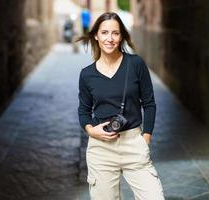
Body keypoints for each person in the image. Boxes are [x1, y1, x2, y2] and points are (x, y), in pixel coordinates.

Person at [77, 12, 165, 200]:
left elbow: (149, 103)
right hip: (101, 149)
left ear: (122, 36)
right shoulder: (87, 75)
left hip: (133, 144)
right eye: (105, 33)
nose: (110, 38)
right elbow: (84, 110)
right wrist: (91, 131)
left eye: (115, 33)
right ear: (96, 35)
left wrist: (145, 138)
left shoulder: (135, 64)